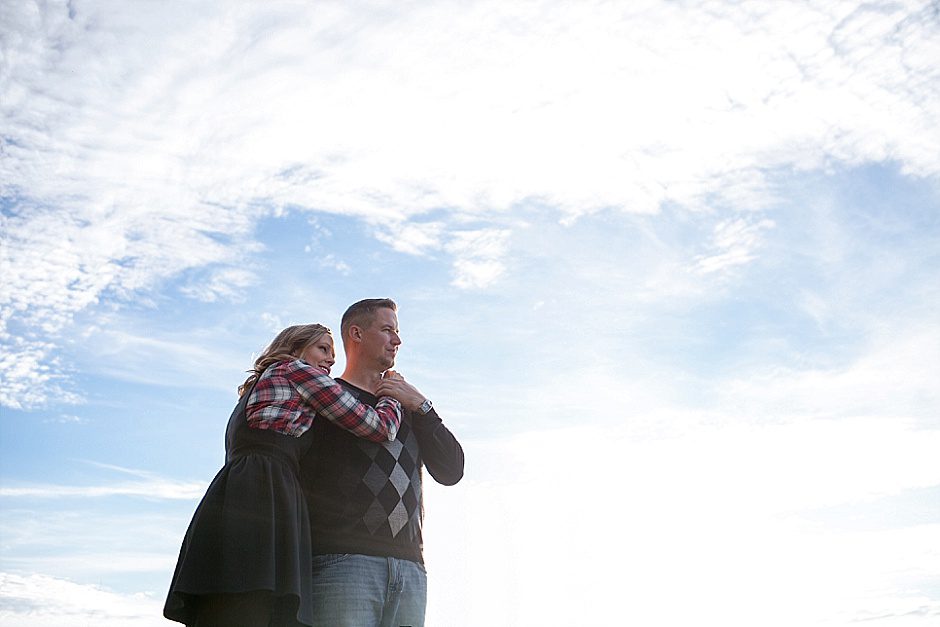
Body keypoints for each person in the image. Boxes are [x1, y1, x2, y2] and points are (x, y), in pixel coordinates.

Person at [164, 324, 405, 627]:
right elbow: (379, 426)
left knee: (232, 602)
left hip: (236, 493)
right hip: (267, 496)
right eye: (323, 349)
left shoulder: (259, 385)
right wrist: (392, 393)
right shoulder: (296, 371)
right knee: (257, 600)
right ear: (295, 348)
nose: (331, 359)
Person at [300, 298, 465, 627]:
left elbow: (451, 470)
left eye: (397, 332)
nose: (397, 340)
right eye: (388, 330)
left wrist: (423, 406)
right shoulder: (324, 397)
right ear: (357, 334)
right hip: (343, 563)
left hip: (411, 570)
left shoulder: (407, 405)